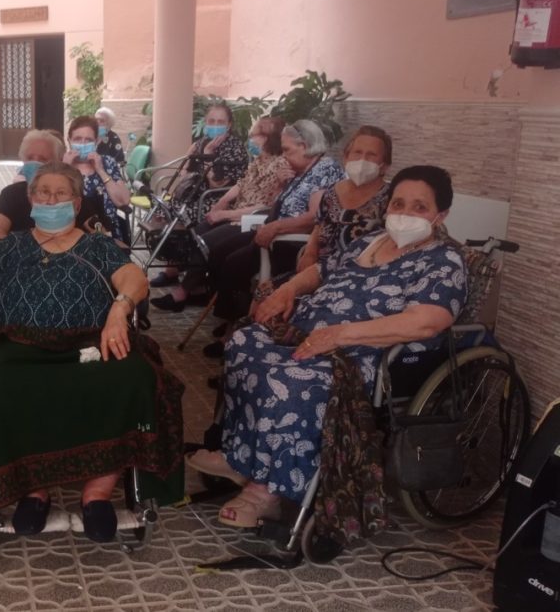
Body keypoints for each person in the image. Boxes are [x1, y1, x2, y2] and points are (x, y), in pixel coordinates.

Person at [189, 165, 466, 528]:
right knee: (244, 342)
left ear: (440, 215)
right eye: (398, 203)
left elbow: (427, 321)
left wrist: (340, 335)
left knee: (290, 378)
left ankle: (266, 491)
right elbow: (320, 271)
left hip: (359, 354)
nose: (405, 214)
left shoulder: (443, 261)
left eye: (419, 207)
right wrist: (286, 291)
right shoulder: (371, 240)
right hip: (308, 334)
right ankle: (243, 454)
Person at [0, 162, 183, 541]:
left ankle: (97, 494)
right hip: (18, 345)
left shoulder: (97, 246)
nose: (51, 200)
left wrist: (120, 308)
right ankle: (34, 491)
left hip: (86, 345)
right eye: (44, 193)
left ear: (77, 201)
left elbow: (134, 279)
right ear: (31, 199)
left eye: (61, 193)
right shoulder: (10, 247)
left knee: (133, 376)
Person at [182, 120, 344, 358]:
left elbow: (313, 217)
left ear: (306, 146)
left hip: (291, 241)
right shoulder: (300, 171)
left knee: (233, 264)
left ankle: (234, 331)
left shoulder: (324, 169)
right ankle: (233, 319)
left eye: (288, 150)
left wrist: (275, 226)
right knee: (220, 253)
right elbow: (277, 204)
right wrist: (280, 184)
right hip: (273, 229)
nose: (284, 155)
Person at [150, 116, 291, 310]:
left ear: (268, 137)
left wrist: (225, 215)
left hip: (250, 220)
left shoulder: (279, 165)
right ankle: (199, 288)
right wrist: (222, 203)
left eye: (254, 135)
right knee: (197, 232)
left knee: (206, 243)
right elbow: (241, 185)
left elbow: (265, 205)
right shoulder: (260, 159)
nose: (250, 139)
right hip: (236, 212)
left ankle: (183, 293)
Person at [296, 125, 393, 271]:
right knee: (266, 290)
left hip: (359, 275)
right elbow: (319, 225)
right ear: (346, 158)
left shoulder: (392, 198)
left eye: (371, 155)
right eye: (357, 152)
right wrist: (309, 253)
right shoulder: (331, 192)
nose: (362, 159)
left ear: (384, 165)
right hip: (317, 270)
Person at [0, 129, 110, 239]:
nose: (34, 163)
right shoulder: (11, 194)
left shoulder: (71, 197)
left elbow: (100, 235)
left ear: (57, 163)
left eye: (42, 159)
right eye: (30, 157)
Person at [65, 115, 131, 241]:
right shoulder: (61, 165)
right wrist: (65, 169)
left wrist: (100, 170)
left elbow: (123, 201)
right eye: (78, 139)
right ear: (69, 140)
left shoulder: (107, 162)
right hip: (72, 235)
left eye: (88, 140)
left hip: (107, 232)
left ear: (96, 142)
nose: (83, 144)